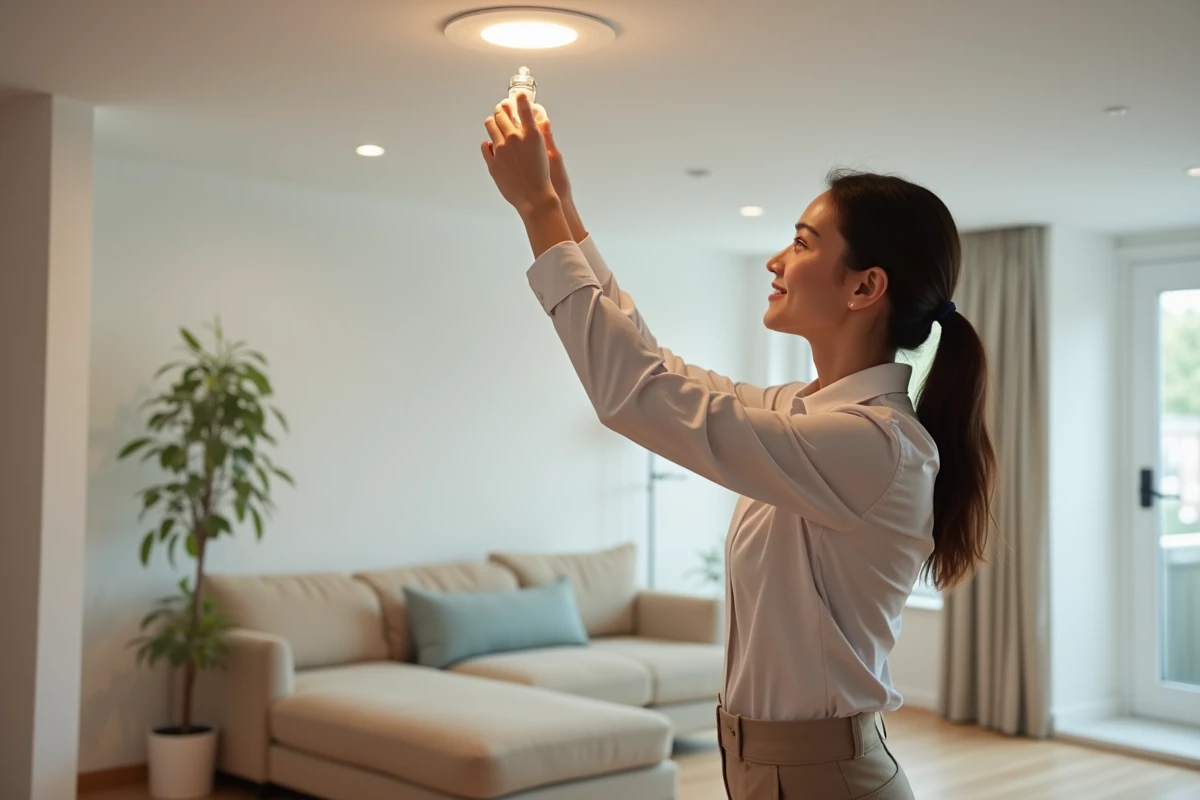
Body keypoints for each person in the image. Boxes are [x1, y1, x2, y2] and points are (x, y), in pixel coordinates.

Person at [480, 94, 996, 800]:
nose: (777, 261)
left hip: (825, 780)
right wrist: (564, 210)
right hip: (771, 769)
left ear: (865, 287)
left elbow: (635, 392)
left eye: (803, 243)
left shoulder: (871, 444)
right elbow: (657, 370)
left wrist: (537, 211)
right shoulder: (803, 412)